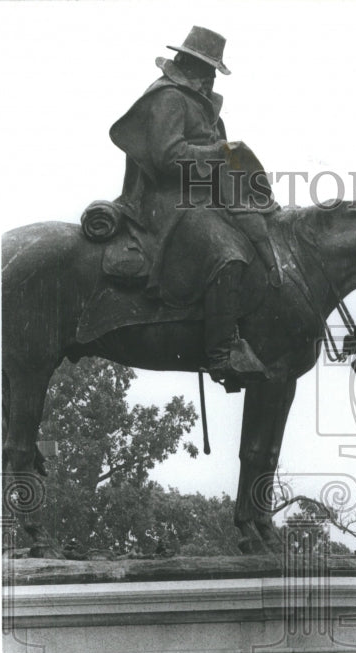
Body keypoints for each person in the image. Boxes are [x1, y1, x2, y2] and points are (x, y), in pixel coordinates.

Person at [109, 26, 275, 386]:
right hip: (164, 201)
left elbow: (220, 164)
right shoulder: (168, 98)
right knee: (227, 254)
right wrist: (219, 153)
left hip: (200, 197)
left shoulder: (202, 105)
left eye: (214, 71)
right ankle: (221, 354)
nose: (211, 78)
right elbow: (167, 157)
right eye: (208, 69)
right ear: (190, 64)